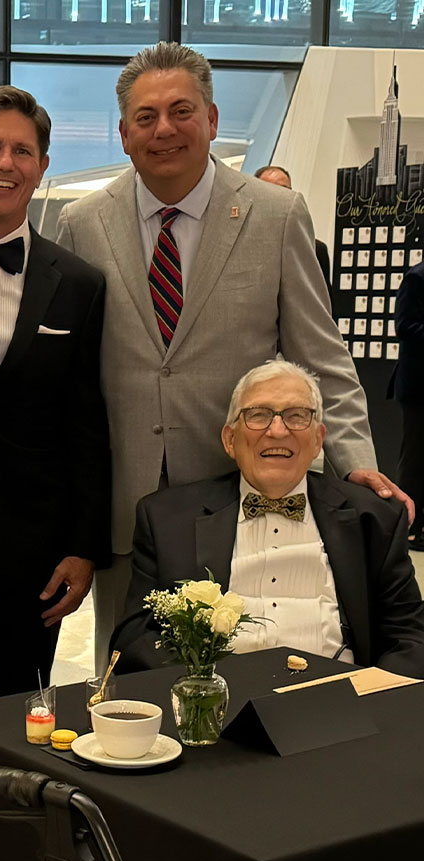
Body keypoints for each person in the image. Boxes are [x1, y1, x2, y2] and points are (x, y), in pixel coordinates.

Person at [54, 41, 404, 668]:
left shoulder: (275, 214)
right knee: (138, 668)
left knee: (256, 661)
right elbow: (71, 379)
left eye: (182, 111)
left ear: (212, 121)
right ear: (124, 134)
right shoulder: (84, 223)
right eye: (146, 117)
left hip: (244, 494)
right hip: (127, 504)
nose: (164, 129)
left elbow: (321, 355)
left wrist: (354, 462)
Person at [0, 86, 110, 699]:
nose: (5, 163)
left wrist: (82, 544)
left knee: (24, 695)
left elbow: (86, 418)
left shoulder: (79, 282)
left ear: (42, 168)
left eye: (23, 150)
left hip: (34, 529)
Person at [113, 360, 424, 677]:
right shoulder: (167, 519)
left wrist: (372, 698)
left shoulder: (373, 518)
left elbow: (410, 636)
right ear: (230, 439)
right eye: (258, 415)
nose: (277, 431)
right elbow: (136, 638)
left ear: (319, 440)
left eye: (296, 416)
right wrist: (199, 690)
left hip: (341, 704)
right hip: (216, 705)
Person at [253, 164, 333, 292]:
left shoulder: (315, 250)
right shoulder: (242, 249)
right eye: (270, 190)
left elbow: (325, 306)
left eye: (284, 191)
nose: (279, 197)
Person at [392, 261, 424, 549]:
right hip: (418, 388)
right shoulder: (417, 277)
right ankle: (408, 527)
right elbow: (404, 326)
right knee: (415, 459)